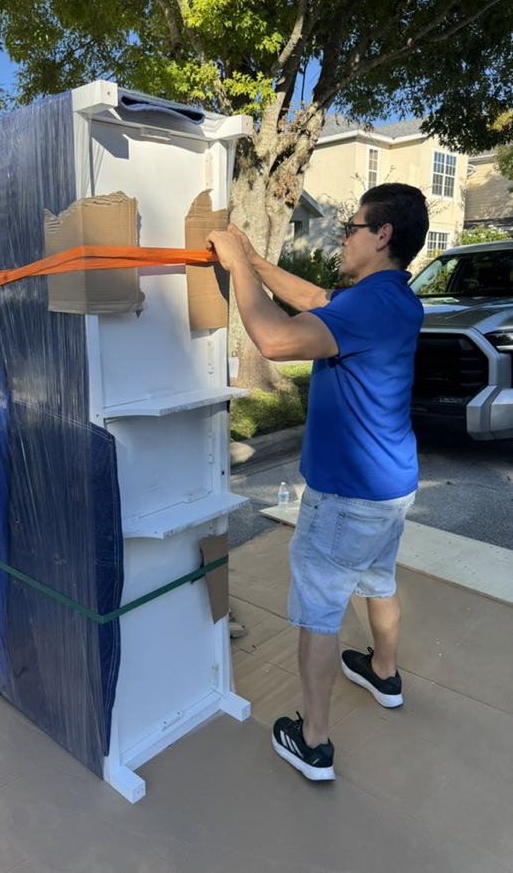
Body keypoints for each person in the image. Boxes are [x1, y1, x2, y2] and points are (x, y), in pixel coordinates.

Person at [207, 183, 429, 782]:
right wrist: (253, 259)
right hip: (390, 486)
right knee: (378, 580)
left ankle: (315, 741)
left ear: (382, 236)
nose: (344, 234)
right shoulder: (395, 298)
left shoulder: (369, 306)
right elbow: (314, 297)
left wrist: (233, 270)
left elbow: (276, 341)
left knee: (319, 611)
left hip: (346, 495)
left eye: (353, 227)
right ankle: (383, 673)